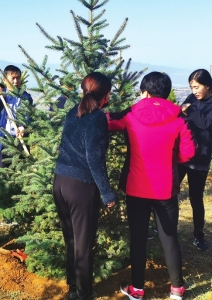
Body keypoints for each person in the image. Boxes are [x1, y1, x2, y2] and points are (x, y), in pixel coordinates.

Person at [107, 72, 196, 300]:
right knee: (169, 237)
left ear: (144, 92)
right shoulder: (178, 119)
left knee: (138, 238)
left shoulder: (131, 116)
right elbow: (188, 153)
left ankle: (137, 289)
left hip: (136, 188)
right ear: (166, 93)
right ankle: (177, 289)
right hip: (166, 188)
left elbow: (107, 123)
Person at [53, 72, 116, 300]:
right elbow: (94, 159)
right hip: (80, 187)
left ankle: (73, 289)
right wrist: (107, 193)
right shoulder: (97, 118)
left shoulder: (73, 112)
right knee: (84, 244)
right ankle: (84, 295)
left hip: (59, 182)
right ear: (106, 95)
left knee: (71, 239)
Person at [179, 68, 212, 251]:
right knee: (169, 192)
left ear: (207, 85)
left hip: (200, 159)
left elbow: (205, 123)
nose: (194, 92)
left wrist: (188, 111)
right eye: (191, 87)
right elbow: (180, 113)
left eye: (197, 87)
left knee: (196, 199)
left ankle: (199, 236)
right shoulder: (192, 99)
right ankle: (163, 229)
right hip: (182, 155)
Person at [0, 65, 33, 167]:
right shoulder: (0, 96)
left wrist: (23, 126)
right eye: (13, 78)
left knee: (20, 172)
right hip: (2, 141)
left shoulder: (25, 97)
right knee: (3, 173)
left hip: (19, 140)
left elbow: (29, 116)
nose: (16, 81)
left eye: (18, 78)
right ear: (4, 80)